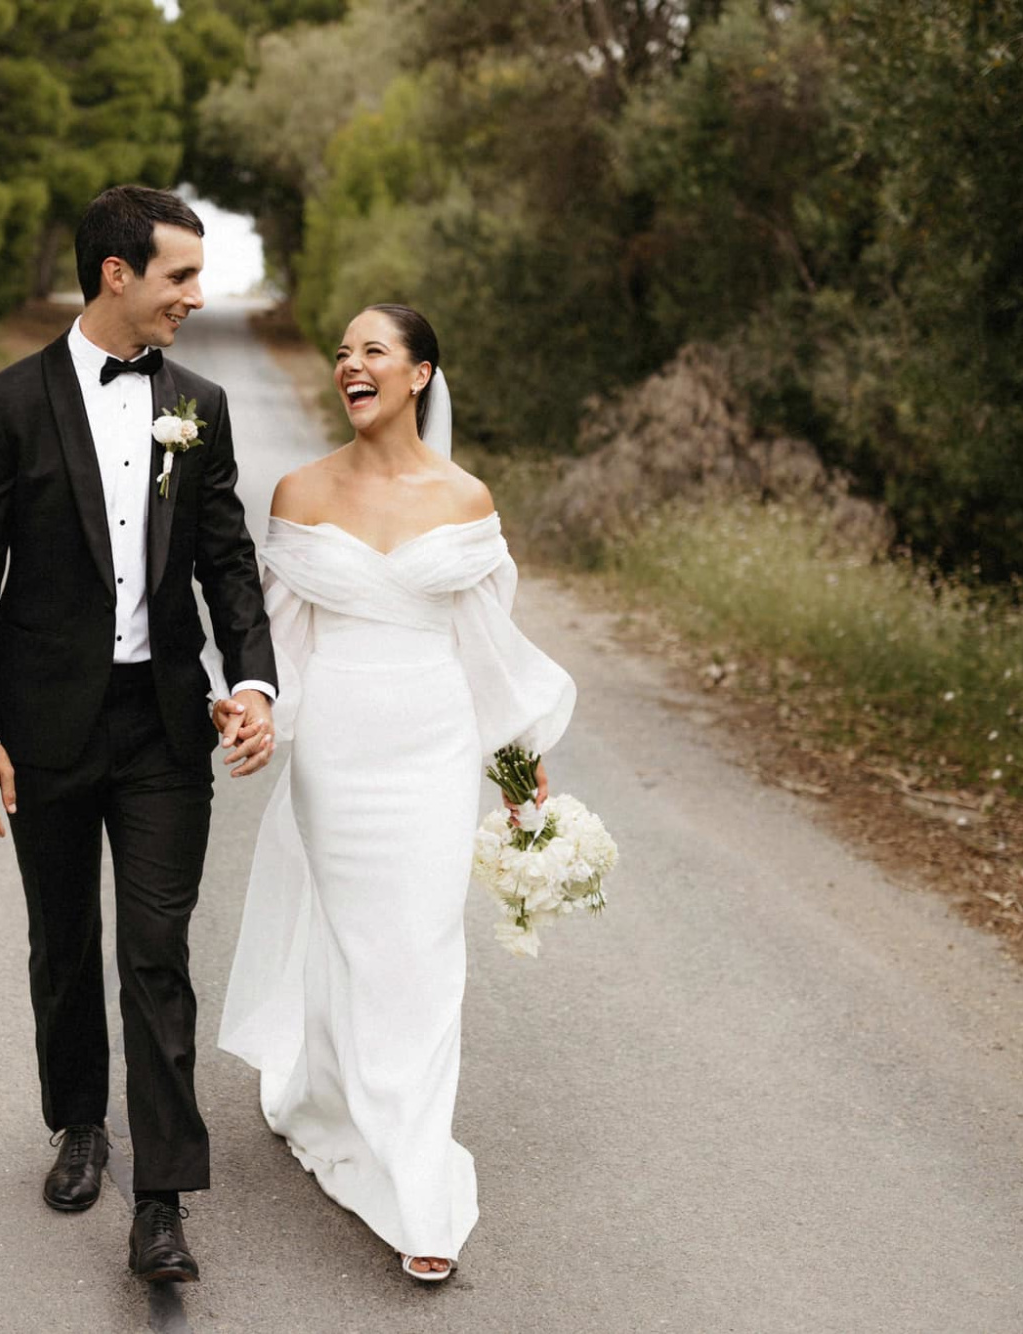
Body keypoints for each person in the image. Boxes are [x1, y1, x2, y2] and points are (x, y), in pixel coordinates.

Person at [0, 185, 279, 1285]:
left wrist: (255, 679)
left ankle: (163, 1199)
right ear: (115, 273)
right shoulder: (4, 405)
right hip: (41, 724)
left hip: (162, 723)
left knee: (155, 950)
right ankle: (78, 1120)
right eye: (180, 275)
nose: (196, 295)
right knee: (60, 940)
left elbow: (225, 557)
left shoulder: (201, 403)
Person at [217, 304, 576, 1282]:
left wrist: (515, 771)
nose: (349, 364)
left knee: (419, 950)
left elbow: (487, 654)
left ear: (419, 373)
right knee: (352, 943)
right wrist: (254, 714)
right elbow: (278, 646)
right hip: (337, 745)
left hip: (432, 747)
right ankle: (334, 1093)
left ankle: (416, 1187)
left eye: (371, 350)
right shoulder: (300, 490)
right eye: (340, 352)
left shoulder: (464, 500)